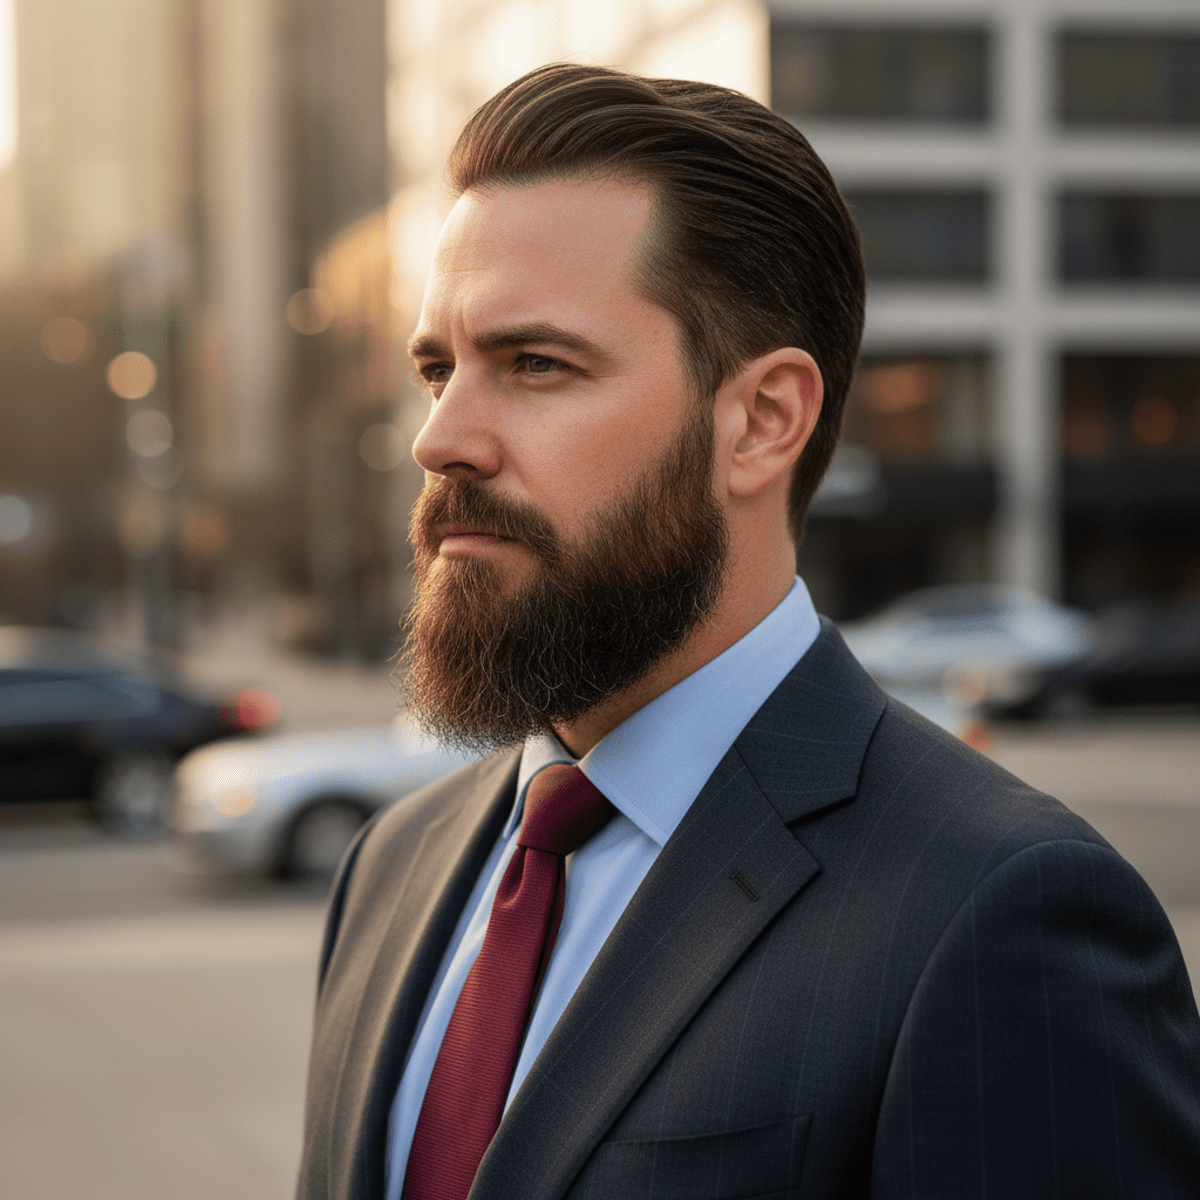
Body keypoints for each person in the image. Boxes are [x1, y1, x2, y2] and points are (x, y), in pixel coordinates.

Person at [297, 64, 1200, 1200]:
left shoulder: (999, 915)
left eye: (535, 364)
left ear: (763, 421)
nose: (442, 438)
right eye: (438, 369)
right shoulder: (394, 866)